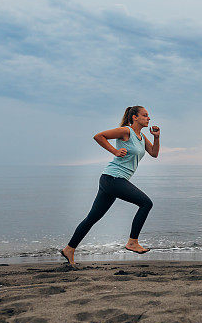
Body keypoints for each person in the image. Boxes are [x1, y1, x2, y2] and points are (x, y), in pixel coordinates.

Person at [60, 106, 160, 267]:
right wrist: (114, 151)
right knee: (146, 203)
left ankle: (69, 249)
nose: (149, 118)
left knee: (92, 218)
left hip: (111, 180)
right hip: (113, 178)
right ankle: (132, 242)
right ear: (134, 117)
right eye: (145, 115)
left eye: (148, 116)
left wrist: (156, 137)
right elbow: (99, 136)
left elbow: (154, 153)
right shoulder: (125, 131)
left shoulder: (140, 136)